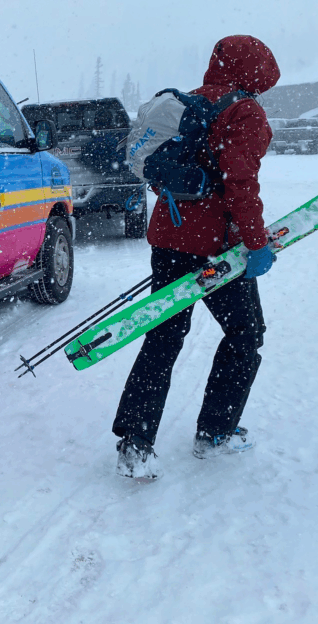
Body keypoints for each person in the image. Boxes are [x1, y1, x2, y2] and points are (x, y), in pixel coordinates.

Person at [113, 35, 280, 480]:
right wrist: (256, 242)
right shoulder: (244, 110)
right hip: (216, 250)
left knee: (163, 336)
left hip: (168, 240)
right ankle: (216, 433)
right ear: (257, 70)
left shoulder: (189, 103)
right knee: (246, 334)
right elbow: (240, 182)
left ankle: (134, 444)